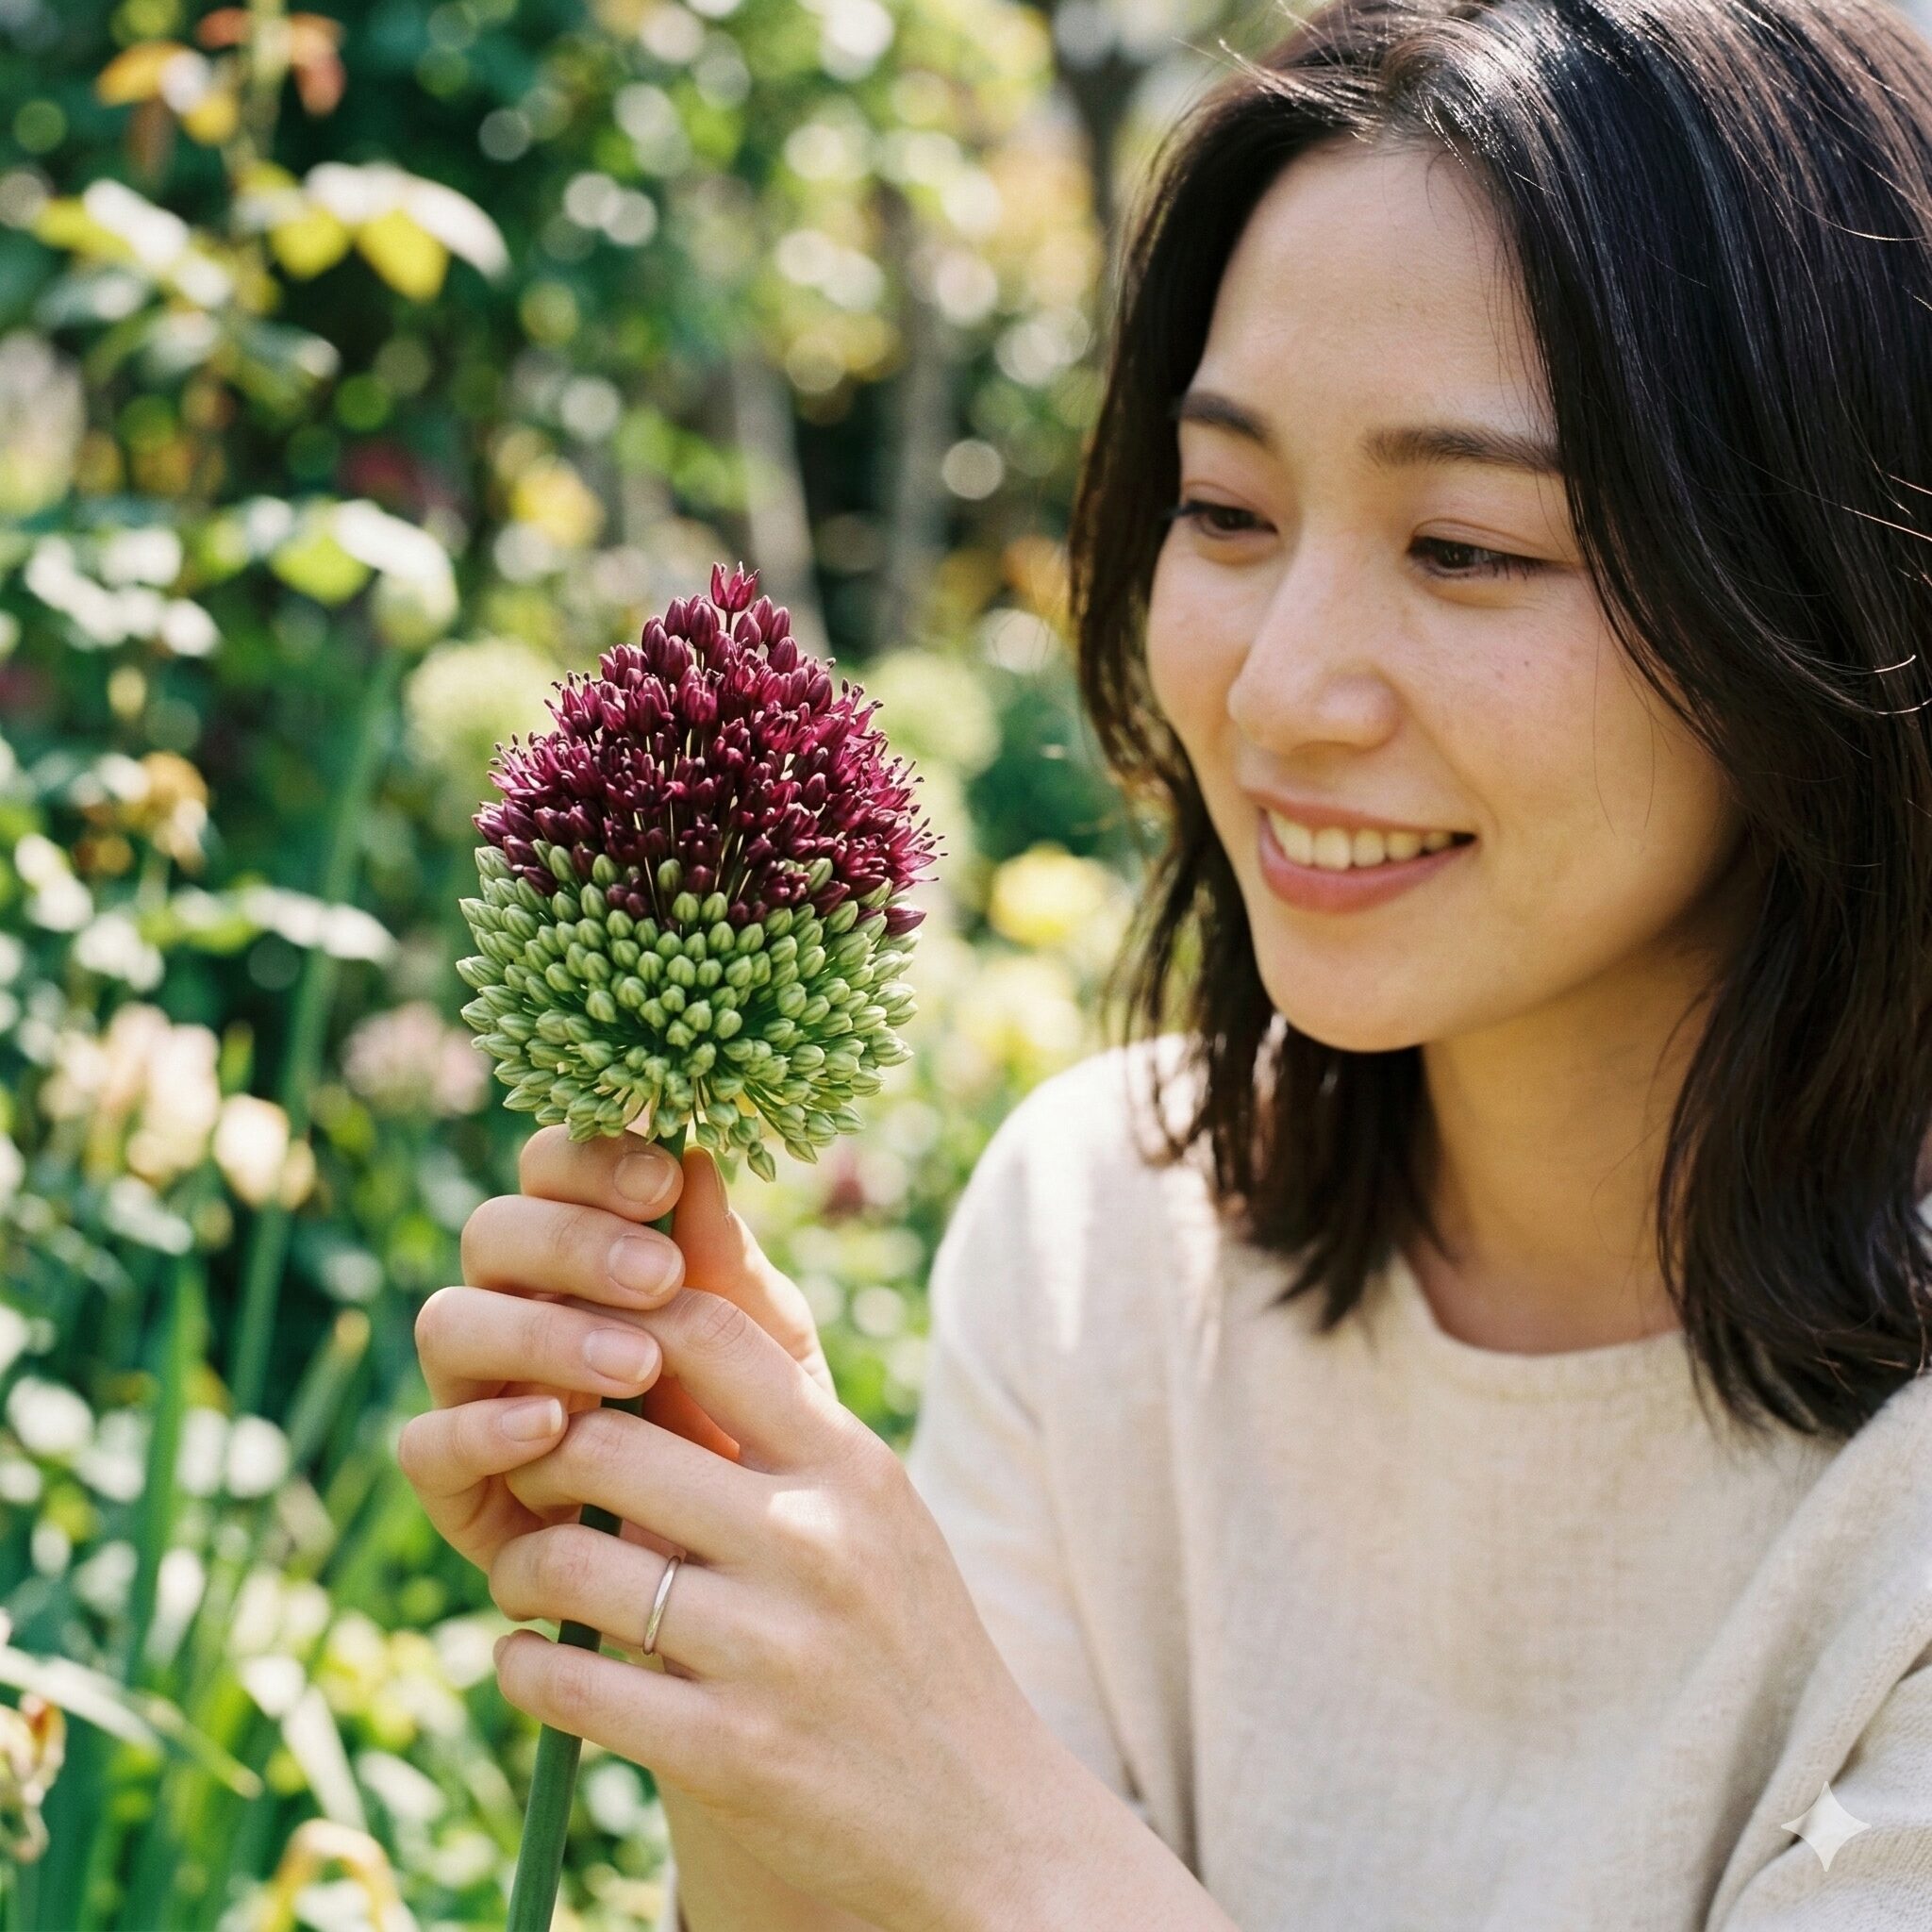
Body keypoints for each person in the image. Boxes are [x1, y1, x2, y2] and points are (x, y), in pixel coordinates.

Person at [397, 0, 1932, 1924]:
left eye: (1463, 544)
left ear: (1824, 594)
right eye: (1224, 510)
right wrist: (749, 1661)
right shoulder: (1102, 1238)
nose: (1279, 687)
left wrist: (987, 1825)